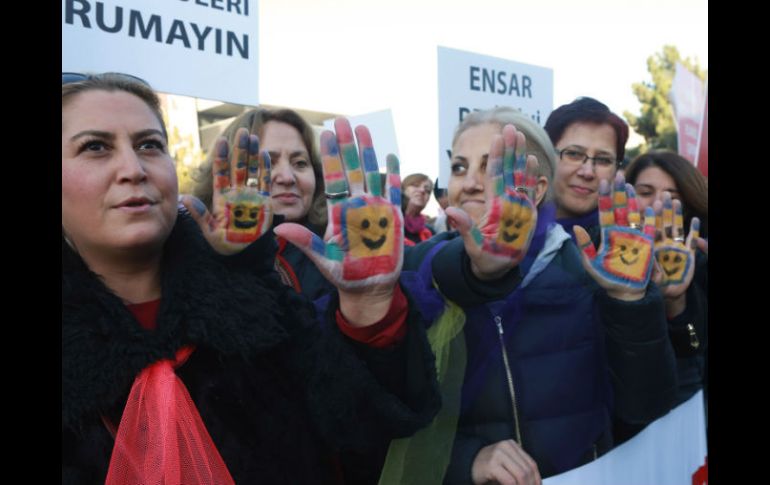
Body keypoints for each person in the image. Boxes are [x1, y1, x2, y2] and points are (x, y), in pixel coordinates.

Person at [62, 73, 440, 484]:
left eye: (149, 145)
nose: (133, 169)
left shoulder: (258, 306)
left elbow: (364, 437)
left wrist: (370, 304)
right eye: (95, 147)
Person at [382, 107, 677, 484]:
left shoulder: (587, 269)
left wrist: (630, 301)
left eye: (493, 168)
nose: (471, 183)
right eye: (459, 167)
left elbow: (645, 405)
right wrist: (467, 460)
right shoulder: (415, 269)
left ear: (536, 190)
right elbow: (386, 418)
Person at [192, 108, 333, 300]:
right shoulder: (192, 259)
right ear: (225, 175)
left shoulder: (339, 248)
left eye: (300, 163)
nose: (287, 177)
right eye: (265, 163)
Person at [625, 150, 708, 408]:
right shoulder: (599, 252)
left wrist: (676, 301)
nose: (657, 204)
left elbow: (693, 346)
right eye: (645, 192)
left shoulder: (701, 261)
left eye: (672, 197)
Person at [544, 97, 629, 243]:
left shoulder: (626, 247)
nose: (588, 172)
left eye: (603, 160)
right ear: (546, 156)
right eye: (574, 154)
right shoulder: (507, 228)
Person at [401, 173, 436, 245]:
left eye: (428, 190)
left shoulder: (431, 233)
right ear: (403, 189)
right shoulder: (389, 222)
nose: (422, 190)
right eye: (416, 185)